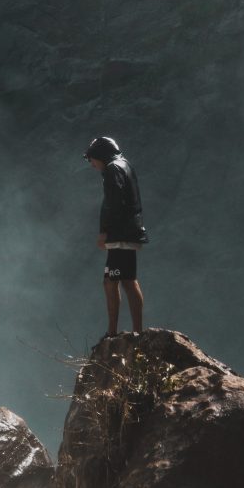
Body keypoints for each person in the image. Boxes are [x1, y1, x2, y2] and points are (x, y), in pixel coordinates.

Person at [84, 136, 148, 337]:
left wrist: (105, 231)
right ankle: (138, 332)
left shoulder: (112, 169)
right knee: (128, 280)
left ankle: (112, 333)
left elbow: (113, 201)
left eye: (91, 159)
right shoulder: (125, 164)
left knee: (111, 281)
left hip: (120, 234)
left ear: (100, 155)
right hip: (131, 231)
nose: (92, 165)